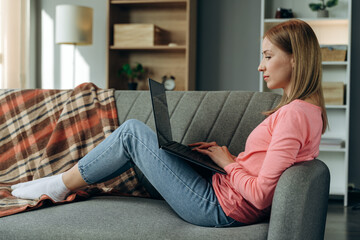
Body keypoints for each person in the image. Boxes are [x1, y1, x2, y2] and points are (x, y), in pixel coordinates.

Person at [11, 19, 327, 227]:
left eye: (268, 56)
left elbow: (260, 196)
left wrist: (228, 162)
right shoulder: (307, 111)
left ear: (296, 58)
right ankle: (62, 181)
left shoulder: (295, 114)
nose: (260, 66)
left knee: (132, 134)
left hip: (219, 209)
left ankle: (57, 185)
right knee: (149, 142)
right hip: (221, 191)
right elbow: (261, 172)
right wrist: (214, 161)